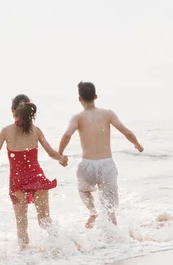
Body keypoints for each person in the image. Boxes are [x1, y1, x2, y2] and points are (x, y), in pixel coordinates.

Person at [0, 95, 68, 249]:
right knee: (45, 221)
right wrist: (62, 160)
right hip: (37, 177)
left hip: (17, 181)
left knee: (21, 226)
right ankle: (63, 245)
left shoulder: (6, 131)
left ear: (13, 110)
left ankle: (25, 262)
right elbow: (51, 153)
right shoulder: (36, 130)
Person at [59, 82, 144, 228]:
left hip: (87, 164)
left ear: (80, 99)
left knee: (83, 190)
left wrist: (60, 154)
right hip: (106, 164)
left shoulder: (77, 117)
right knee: (109, 208)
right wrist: (137, 144)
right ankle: (114, 239)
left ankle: (92, 211)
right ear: (96, 96)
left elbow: (67, 134)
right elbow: (126, 131)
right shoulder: (107, 113)